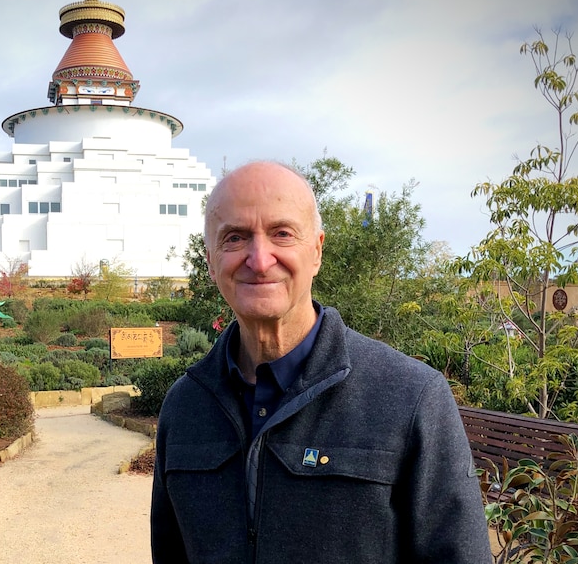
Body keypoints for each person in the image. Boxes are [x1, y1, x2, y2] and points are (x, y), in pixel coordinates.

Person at [150, 161, 492, 563]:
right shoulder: (186, 405)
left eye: (282, 234)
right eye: (235, 238)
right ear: (210, 260)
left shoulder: (411, 397)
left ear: (316, 251)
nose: (259, 260)